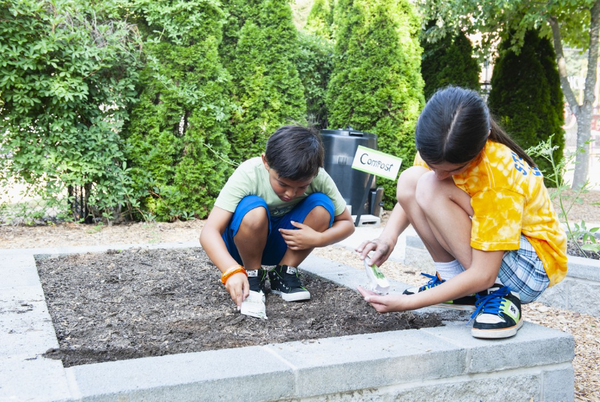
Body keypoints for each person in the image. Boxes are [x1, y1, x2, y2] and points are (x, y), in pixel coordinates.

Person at [356, 86, 567, 339]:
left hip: (530, 267)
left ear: (482, 140)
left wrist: (409, 303)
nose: (440, 174)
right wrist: (387, 238)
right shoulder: (439, 144)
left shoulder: (497, 174)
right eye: (433, 164)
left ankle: (499, 295)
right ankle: (455, 283)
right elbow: (414, 195)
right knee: (413, 179)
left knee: (430, 185)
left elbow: (483, 273)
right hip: (498, 256)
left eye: (454, 169)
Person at [200, 125, 355, 314]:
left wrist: (319, 239)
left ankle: (284, 272)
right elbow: (209, 232)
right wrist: (230, 270)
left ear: (315, 173)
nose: (291, 193)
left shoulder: (319, 176)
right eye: (282, 184)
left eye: (301, 187)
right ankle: (252, 274)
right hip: (242, 245)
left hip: (285, 245)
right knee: (253, 209)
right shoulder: (249, 173)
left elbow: (347, 223)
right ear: (266, 162)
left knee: (322, 206)